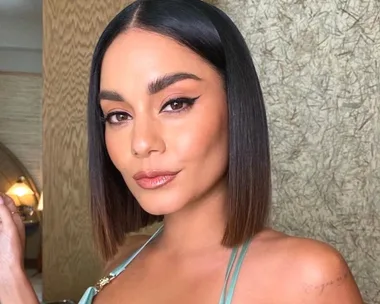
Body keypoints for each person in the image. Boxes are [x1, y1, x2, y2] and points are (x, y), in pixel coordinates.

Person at [0, 0, 364, 303]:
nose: (141, 143)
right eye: (119, 115)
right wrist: (9, 273)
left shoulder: (308, 278)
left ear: (236, 105)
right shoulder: (122, 258)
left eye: (175, 103)